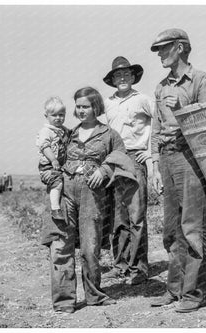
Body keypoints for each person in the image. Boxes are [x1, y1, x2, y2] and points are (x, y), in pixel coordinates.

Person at [40, 87, 138, 313]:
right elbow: (48, 156)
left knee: (90, 246)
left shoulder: (109, 134)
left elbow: (120, 157)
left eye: (86, 106)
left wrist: (103, 171)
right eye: (78, 106)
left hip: (93, 196)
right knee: (61, 244)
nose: (81, 111)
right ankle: (64, 301)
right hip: (65, 191)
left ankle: (94, 295)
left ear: (96, 107)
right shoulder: (67, 134)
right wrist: (46, 172)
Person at [149, 28, 206, 313]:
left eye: (164, 49)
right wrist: (154, 164)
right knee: (171, 230)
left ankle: (193, 292)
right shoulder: (161, 86)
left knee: (191, 227)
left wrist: (182, 110)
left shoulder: (201, 80)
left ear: (180, 48)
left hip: (192, 158)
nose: (160, 55)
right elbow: (155, 129)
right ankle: (175, 288)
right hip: (167, 159)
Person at [102, 56, 153, 285]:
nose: (122, 78)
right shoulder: (107, 103)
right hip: (114, 159)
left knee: (137, 216)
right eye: (117, 75)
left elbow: (160, 122)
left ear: (133, 77)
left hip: (135, 157)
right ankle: (120, 265)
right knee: (118, 217)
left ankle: (139, 269)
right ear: (113, 80)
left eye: (126, 74)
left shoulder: (143, 99)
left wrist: (151, 152)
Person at [36, 96, 70, 220]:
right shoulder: (46, 131)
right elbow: (45, 147)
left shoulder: (63, 130)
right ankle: (55, 209)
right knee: (57, 183)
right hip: (48, 165)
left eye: (61, 115)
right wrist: (53, 159)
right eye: (54, 115)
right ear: (47, 116)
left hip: (59, 165)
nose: (58, 118)